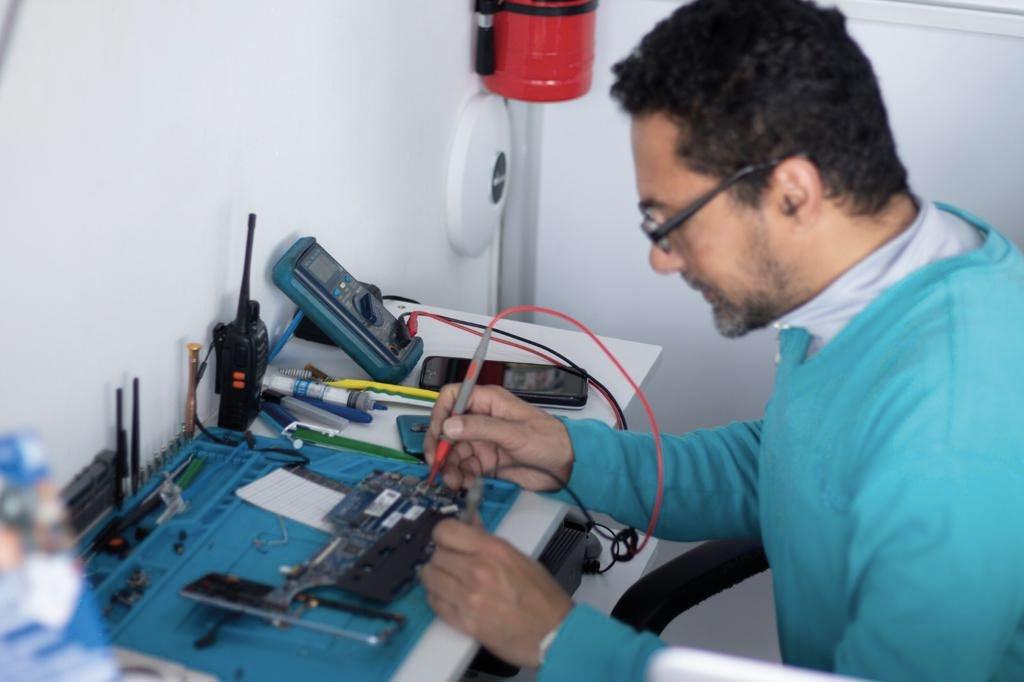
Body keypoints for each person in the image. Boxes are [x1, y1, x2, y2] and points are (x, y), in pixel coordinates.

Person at [420, 0, 1024, 680]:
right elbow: (790, 468)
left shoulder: (951, 434)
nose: (662, 257)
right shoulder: (890, 274)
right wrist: (568, 456)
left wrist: (557, 639)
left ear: (793, 193)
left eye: (669, 221)